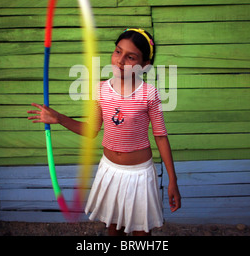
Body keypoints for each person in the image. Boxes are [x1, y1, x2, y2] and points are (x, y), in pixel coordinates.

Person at [27, 28, 181, 236]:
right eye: (118, 51)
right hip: (110, 171)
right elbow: (92, 130)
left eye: (131, 57)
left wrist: (173, 180)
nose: (120, 61)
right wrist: (59, 119)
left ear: (145, 65)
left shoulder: (149, 94)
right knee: (113, 228)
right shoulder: (100, 90)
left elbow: (161, 137)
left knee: (141, 232)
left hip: (139, 175)